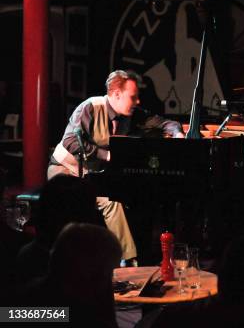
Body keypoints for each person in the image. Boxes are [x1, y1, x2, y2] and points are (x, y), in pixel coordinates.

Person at [47, 70, 185, 263]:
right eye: (133, 97)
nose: (137, 102)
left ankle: (128, 261)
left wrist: (178, 134)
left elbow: (165, 123)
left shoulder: (131, 114)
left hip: (92, 174)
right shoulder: (90, 107)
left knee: (116, 199)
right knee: (93, 200)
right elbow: (70, 140)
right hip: (65, 169)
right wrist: (107, 155)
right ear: (116, 94)